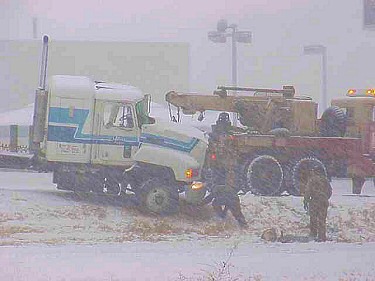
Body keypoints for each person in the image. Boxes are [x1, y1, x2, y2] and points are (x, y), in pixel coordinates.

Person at [303, 170, 332, 242]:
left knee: (313, 218)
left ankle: (313, 234)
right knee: (322, 219)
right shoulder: (325, 180)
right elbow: (330, 191)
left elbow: (308, 191)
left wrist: (306, 201)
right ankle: (322, 236)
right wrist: (325, 197)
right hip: (323, 201)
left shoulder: (312, 180)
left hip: (314, 201)